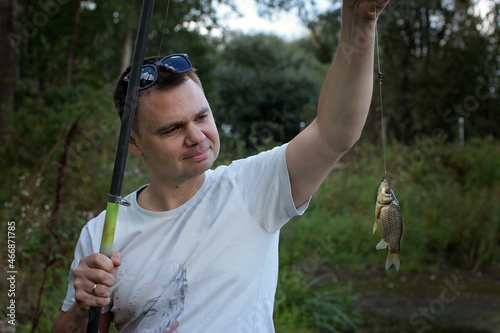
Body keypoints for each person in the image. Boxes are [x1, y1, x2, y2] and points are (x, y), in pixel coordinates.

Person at [53, 0, 390, 331]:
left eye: (202, 117)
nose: (197, 137)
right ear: (134, 144)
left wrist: (360, 22)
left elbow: (334, 134)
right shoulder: (102, 233)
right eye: (172, 129)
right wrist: (83, 310)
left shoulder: (251, 188)